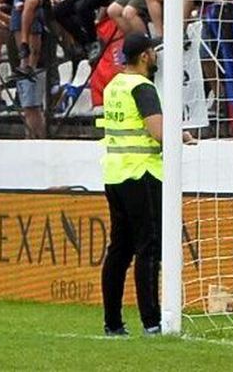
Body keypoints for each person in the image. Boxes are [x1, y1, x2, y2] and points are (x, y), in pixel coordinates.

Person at [99, 33, 167, 337]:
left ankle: (113, 322)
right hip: (142, 173)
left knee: (119, 251)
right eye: (152, 51)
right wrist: (180, 136)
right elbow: (157, 131)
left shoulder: (114, 85)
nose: (154, 56)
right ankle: (152, 321)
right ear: (144, 56)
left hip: (115, 174)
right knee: (149, 248)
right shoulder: (143, 87)